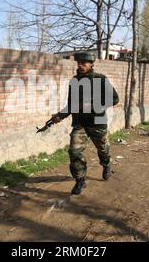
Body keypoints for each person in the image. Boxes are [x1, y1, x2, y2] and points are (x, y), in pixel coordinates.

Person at [51, 52, 119, 195]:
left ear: (91, 64)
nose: (81, 65)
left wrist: (92, 105)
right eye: (79, 63)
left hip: (98, 122)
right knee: (74, 151)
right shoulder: (74, 81)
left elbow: (114, 99)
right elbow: (71, 105)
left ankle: (106, 165)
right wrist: (60, 116)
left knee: (103, 150)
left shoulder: (100, 79)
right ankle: (80, 180)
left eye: (84, 63)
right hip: (80, 123)